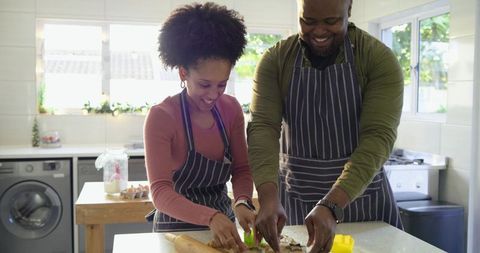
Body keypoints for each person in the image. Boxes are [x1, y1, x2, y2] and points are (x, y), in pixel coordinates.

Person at [247, 0, 404, 252]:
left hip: (362, 205)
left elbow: (378, 136)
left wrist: (332, 204)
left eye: (331, 21)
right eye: (308, 21)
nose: (319, 31)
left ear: (349, 10)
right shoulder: (275, 60)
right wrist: (266, 197)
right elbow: (263, 128)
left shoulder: (378, 59)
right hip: (295, 205)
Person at [144, 2, 255, 251]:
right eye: (204, 85)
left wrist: (242, 202)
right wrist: (210, 217)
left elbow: (242, 169)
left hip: (225, 228)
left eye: (222, 85)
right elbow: (160, 193)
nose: (213, 95)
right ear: (183, 73)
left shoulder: (231, 109)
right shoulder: (162, 117)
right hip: (175, 232)